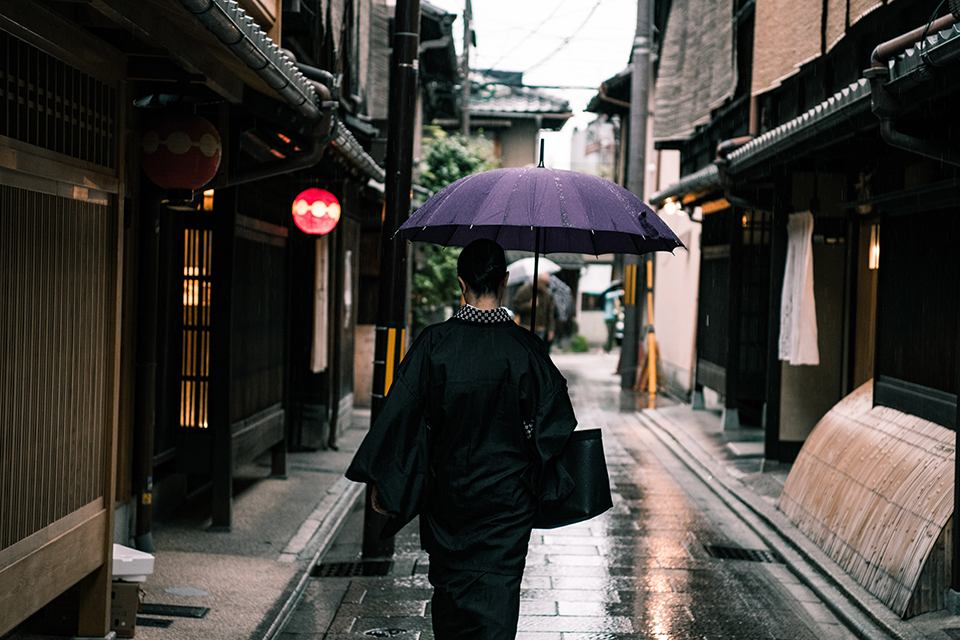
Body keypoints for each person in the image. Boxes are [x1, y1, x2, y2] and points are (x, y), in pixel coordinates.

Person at [346, 239, 578, 640]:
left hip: (449, 503)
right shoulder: (525, 348)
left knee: (450, 605)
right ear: (504, 281)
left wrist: (387, 482)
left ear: (460, 282)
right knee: (499, 603)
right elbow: (556, 424)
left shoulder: (435, 343)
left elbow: (400, 416)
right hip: (507, 508)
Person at [512, 271, 556, 351]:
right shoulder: (524, 291)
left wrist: (551, 329)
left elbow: (549, 314)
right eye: (543, 282)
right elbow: (516, 307)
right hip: (526, 327)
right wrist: (529, 305)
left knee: (537, 352)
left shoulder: (547, 294)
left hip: (541, 329)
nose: (544, 285)